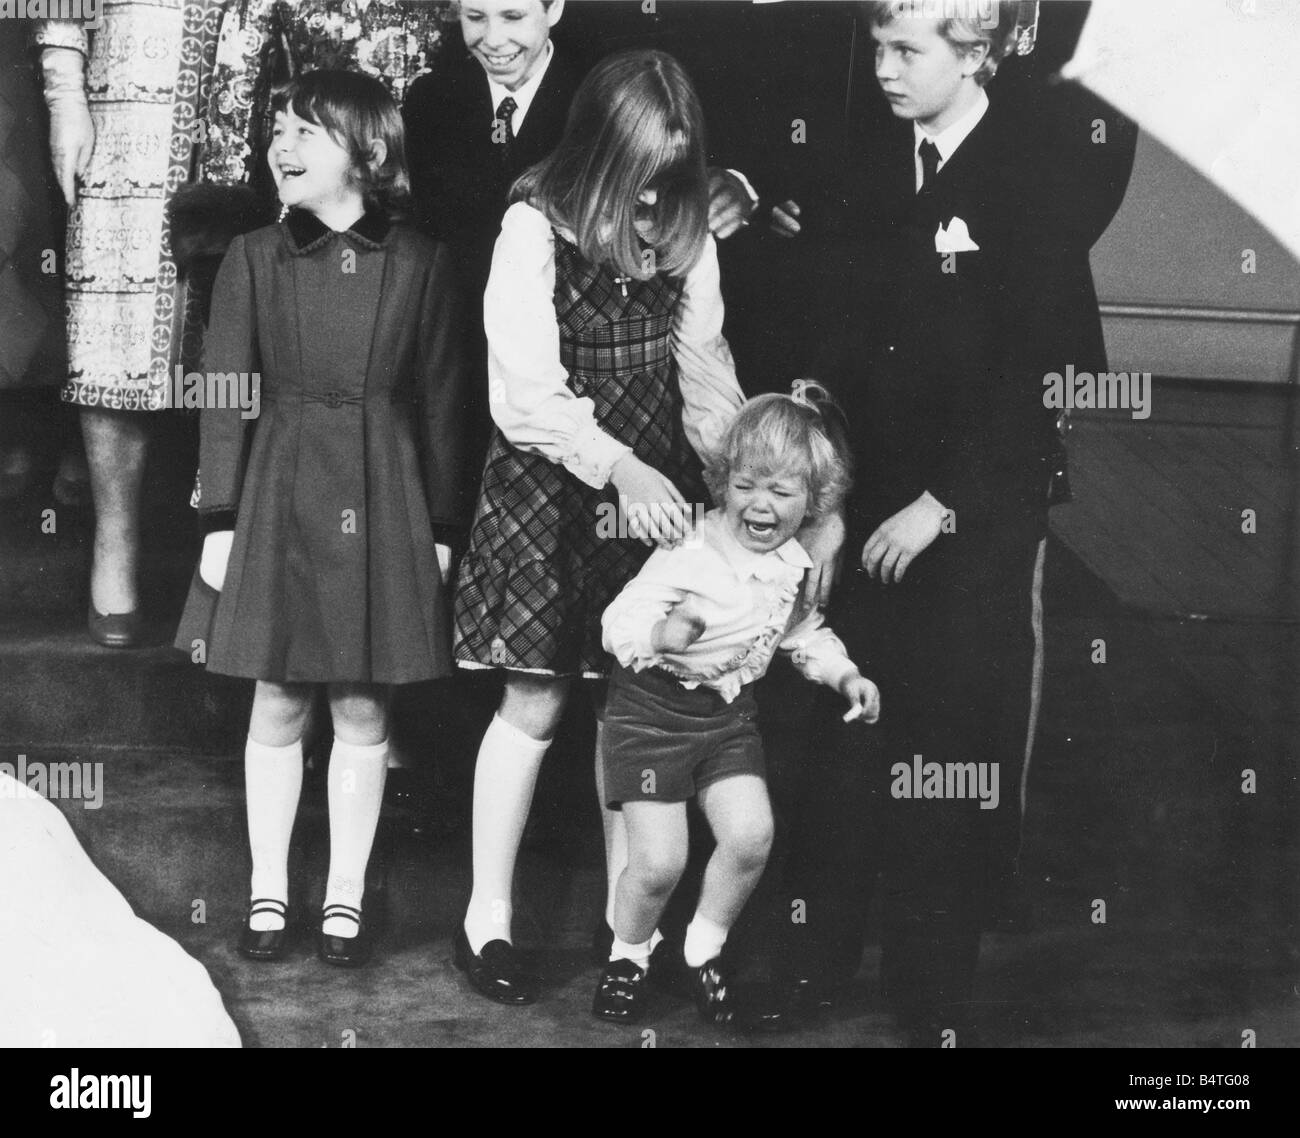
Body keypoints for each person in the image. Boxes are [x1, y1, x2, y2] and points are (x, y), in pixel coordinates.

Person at [780, 0, 1136, 1042]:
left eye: (906, 50)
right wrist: (835, 499)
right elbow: (834, 341)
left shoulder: (1032, 179)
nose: (884, 69)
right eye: (878, 47)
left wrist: (942, 506)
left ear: (973, 51)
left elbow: (1058, 376)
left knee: (947, 745)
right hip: (866, 497)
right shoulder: (866, 166)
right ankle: (815, 956)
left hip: (972, 517)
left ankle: (930, 984)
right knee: (847, 728)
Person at [449, 49, 746, 1006]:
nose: (656, 211)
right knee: (534, 702)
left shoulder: (690, 231)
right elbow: (525, 394)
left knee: (631, 711)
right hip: (554, 483)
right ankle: (485, 921)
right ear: (598, 162)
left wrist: (735, 482)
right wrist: (616, 462)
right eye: (641, 188)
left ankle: (632, 936)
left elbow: (703, 374)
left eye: (672, 186)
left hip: (651, 492)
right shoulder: (532, 226)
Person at [174, 70, 469, 968]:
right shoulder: (254, 256)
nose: (281, 147)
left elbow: (446, 402)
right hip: (277, 488)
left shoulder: (422, 262)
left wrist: (445, 526)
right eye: (276, 130)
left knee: (360, 703)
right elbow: (225, 389)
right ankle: (269, 888)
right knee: (277, 693)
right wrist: (220, 514)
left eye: (306, 132)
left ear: (369, 155)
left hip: (385, 494)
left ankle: (344, 894)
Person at [593, 384, 879, 1028]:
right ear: (724, 481)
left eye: (783, 493)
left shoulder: (792, 561)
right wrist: (660, 637)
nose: (761, 504)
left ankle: (702, 950)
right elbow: (618, 622)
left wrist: (846, 676)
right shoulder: (690, 552)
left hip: (725, 722)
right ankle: (627, 956)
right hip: (651, 717)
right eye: (747, 484)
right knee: (660, 862)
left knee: (751, 837)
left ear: (813, 502)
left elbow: (801, 633)